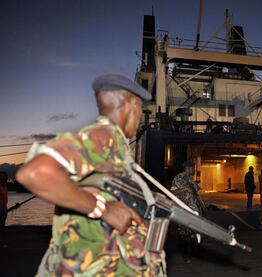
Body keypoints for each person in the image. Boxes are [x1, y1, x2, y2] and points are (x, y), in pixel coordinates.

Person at [16, 74, 166, 276]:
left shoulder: (117, 148)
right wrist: (102, 209)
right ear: (131, 104)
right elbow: (36, 173)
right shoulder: (103, 137)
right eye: (140, 110)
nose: (140, 117)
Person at [170, 160, 205, 262]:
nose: (194, 170)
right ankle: (186, 256)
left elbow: (197, 191)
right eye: (193, 168)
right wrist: (184, 189)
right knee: (184, 233)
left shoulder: (190, 179)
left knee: (194, 232)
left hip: (194, 210)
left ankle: (194, 254)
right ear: (188, 168)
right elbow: (172, 192)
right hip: (183, 210)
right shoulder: (178, 178)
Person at [0, 171, 8, 247]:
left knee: (2, 226)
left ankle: (2, 243)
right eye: (1, 176)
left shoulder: (5, 185)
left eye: (4, 176)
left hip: (4, 209)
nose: (3, 177)